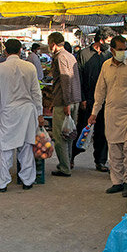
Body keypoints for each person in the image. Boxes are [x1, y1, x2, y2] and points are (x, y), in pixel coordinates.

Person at [90, 35, 127, 196]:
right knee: (114, 151)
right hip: (112, 114)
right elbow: (100, 91)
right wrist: (94, 113)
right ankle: (117, 182)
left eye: (125, 49)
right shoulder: (106, 66)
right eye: (120, 49)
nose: (123, 52)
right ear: (112, 50)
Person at [0, 39, 41, 192]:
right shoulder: (30, 67)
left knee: (4, 148)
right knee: (26, 147)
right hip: (27, 112)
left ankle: (2, 183)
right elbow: (36, 93)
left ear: (5, 51)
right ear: (20, 51)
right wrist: (39, 113)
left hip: (8, 113)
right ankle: (27, 181)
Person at [76, 27, 115, 171]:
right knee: (82, 128)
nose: (109, 44)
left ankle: (100, 161)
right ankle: (72, 157)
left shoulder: (108, 55)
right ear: (100, 39)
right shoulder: (83, 54)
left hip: (104, 100)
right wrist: (82, 98)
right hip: (88, 99)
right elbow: (78, 77)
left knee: (102, 131)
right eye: (108, 41)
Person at [47, 31, 81, 177]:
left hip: (65, 101)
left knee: (59, 136)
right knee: (69, 134)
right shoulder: (70, 55)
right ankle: (67, 164)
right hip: (73, 100)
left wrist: (66, 102)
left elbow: (66, 80)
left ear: (53, 44)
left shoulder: (60, 57)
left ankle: (64, 167)